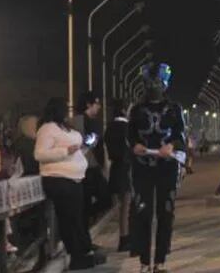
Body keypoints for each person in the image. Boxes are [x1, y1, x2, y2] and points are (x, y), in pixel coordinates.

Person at [34, 97, 106, 270]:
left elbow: (74, 151)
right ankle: (76, 256)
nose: (69, 111)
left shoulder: (65, 128)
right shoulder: (47, 129)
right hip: (59, 180)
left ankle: (82, 251)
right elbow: (40, 154)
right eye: (66, 108)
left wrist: (84, 148)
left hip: (74, 180)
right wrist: (65, 151)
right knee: (69, 220)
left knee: (77, 219)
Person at [129, 62, 186, 273]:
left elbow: (181, 134)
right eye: (150, 83)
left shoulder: (174, 108)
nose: (154, 86)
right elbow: (130, 134)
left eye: (158, 82)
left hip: (167, 166)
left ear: (165, 85)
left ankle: (160, 261)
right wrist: (135, 145)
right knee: (142, 213)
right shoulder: (136, 109)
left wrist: (171, 146)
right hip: (142, 167)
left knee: (165, 212)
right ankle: (144, 262)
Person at [69, 91, 110, 225]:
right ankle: (84, 232)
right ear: (88, 104)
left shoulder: (93, 122)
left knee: (104, 199)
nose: (99, 107)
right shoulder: (78, 121)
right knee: (89, 202)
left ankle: (85, 220)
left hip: (93, 167)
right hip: (84, 168)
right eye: (97, 103)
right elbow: (82, 144)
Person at [104, 99, 132, 252]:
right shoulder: (126, 128)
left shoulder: (109, 128)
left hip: (115, 168)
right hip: (126, 168)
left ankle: (124, 237)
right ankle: (125, 238)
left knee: (121, 207)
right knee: (127, 206)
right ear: (123, 110)